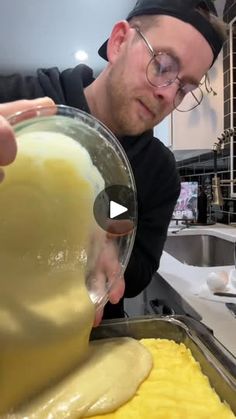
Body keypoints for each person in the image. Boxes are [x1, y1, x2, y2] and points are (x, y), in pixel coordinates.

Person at [0, 0, 227, 319]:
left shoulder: (159, 171)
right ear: (120, 41)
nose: (168, 95)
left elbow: (140, 273)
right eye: (163, 66)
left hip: (93, 335)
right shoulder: (18, 102)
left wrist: (108, 238)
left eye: (184, 89)